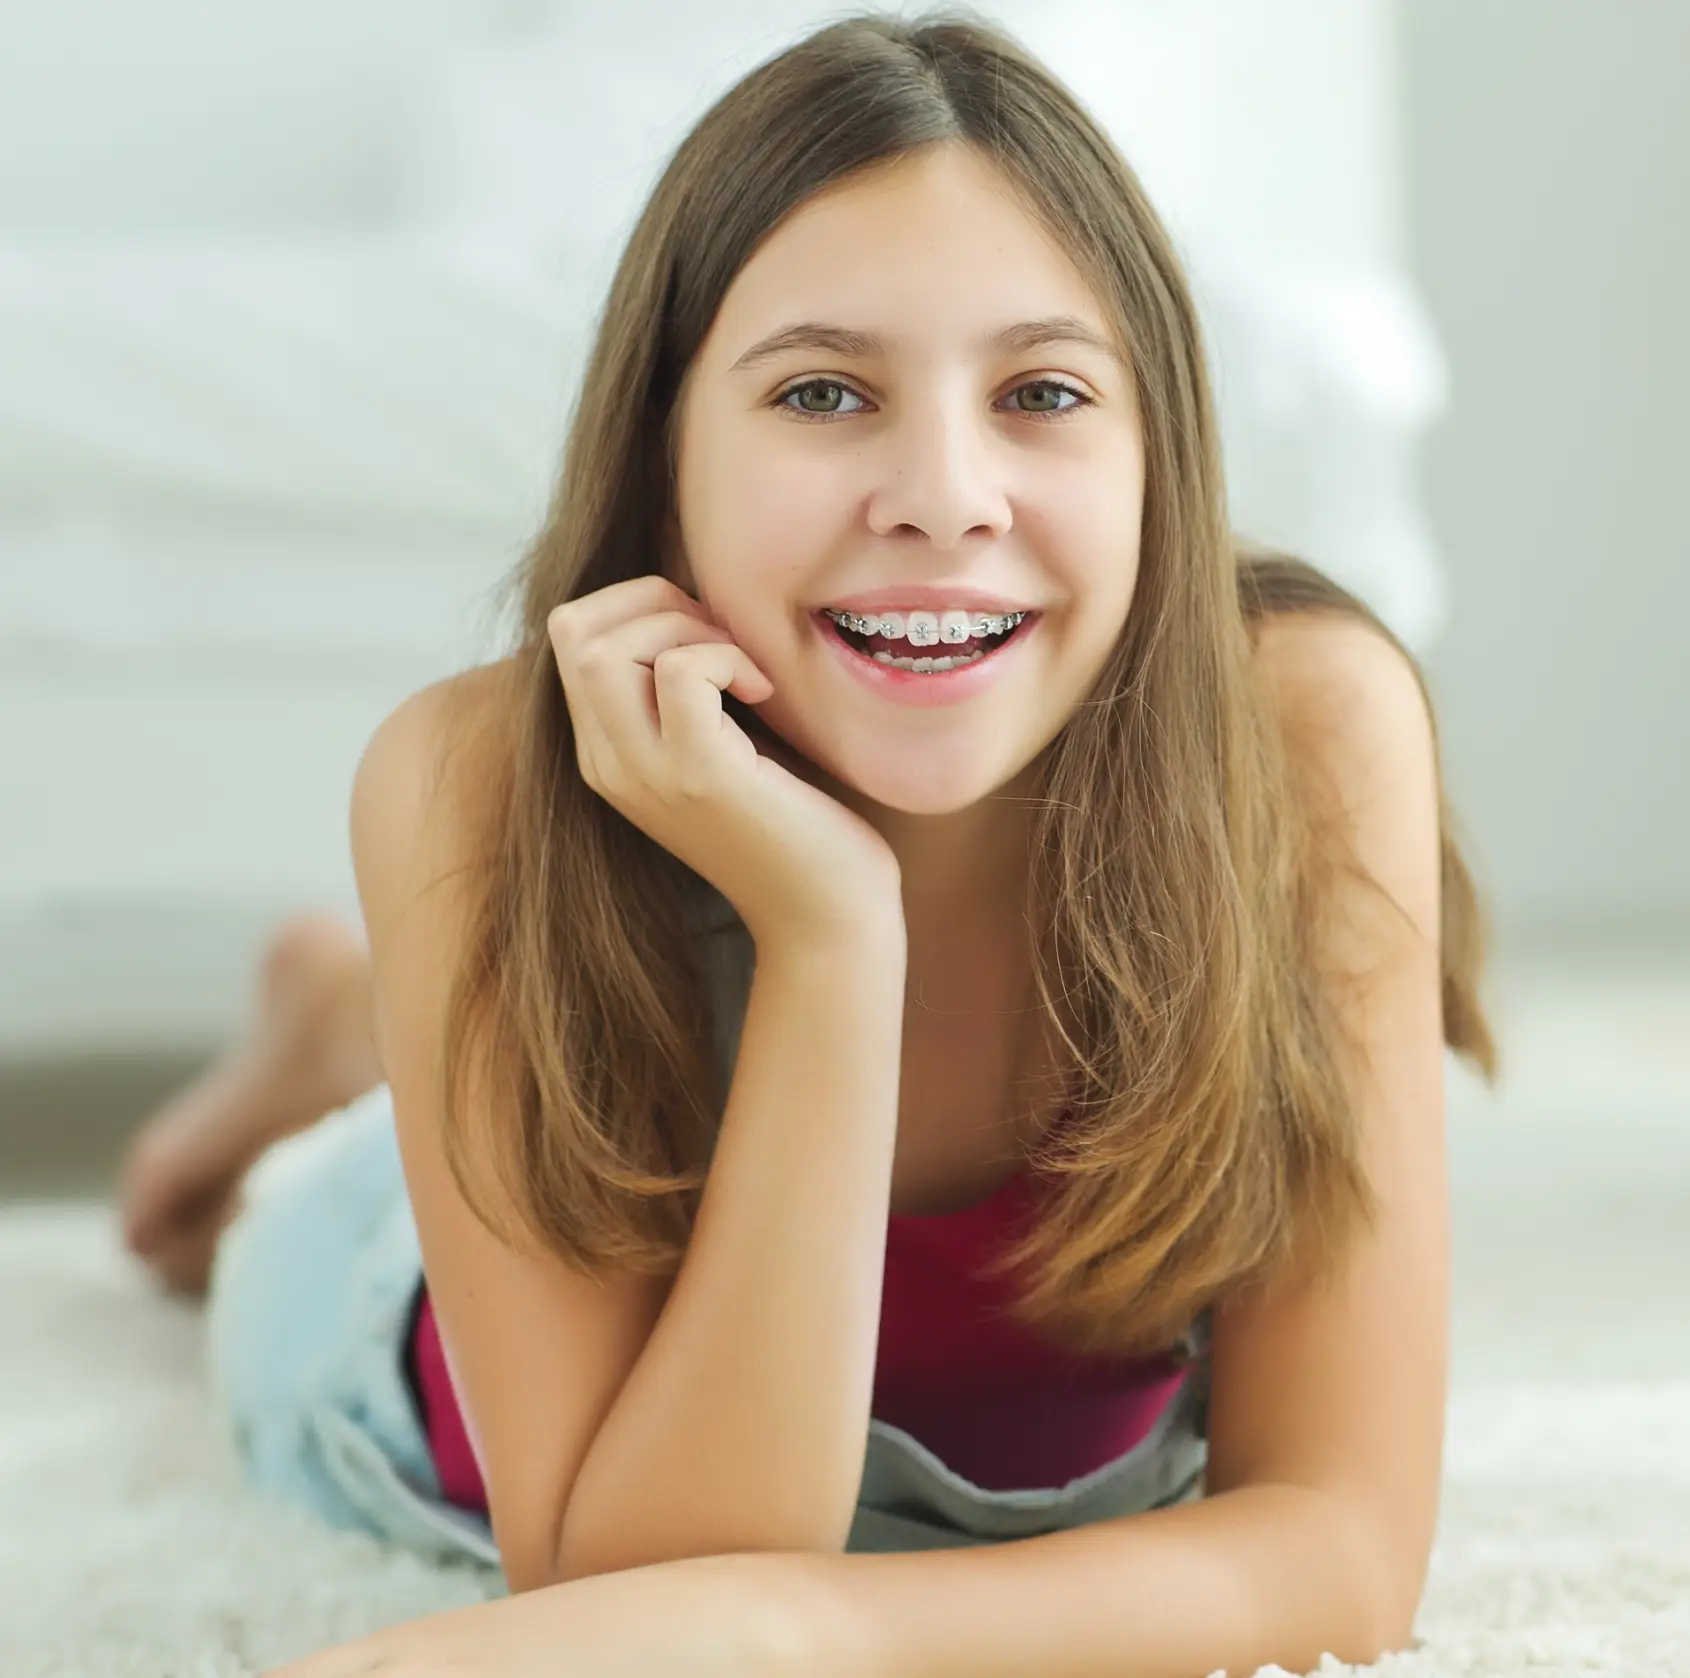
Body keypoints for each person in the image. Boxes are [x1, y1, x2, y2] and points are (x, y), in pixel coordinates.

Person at [115, 11, 1497, 1675]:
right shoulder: (471, 784)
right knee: (291, 1205)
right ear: (664, 449)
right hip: (374, 1309)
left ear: (1160, 459)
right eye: (822, 391)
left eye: (1043, 391)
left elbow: (1342, 1553)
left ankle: (341, 1009)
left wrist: (796, 1624)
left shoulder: (1304, 725)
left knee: (427, 1061)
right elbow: (614, 1579)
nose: (941, 494)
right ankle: (340, 1042)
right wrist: (831, 938)